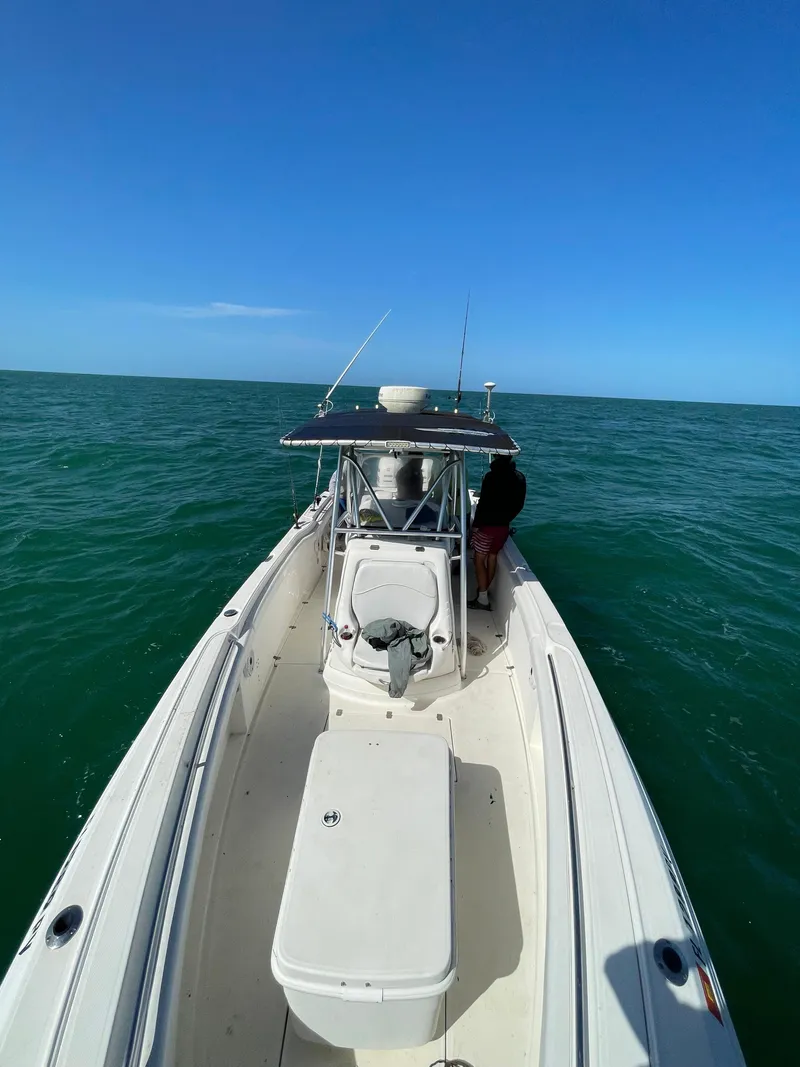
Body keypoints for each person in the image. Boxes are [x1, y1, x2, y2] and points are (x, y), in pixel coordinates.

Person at [468, 454, 527, 610]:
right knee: (492, 556)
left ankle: (482, 598)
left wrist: (476, 525)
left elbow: (483, 503)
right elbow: (520, 504)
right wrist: (506, 518)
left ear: (494, 456)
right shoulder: (520, 477)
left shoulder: (490, 477)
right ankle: (484, 591)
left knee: (479, 560)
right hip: (503, 527)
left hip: (486, 527)